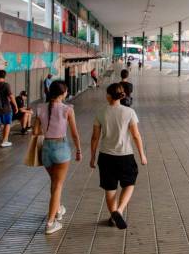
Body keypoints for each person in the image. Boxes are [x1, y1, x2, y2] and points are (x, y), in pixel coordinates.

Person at [90, 83, 147, 230]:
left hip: (105, 156)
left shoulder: (101, 112)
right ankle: (119, 211)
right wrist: (142, 155)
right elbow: (136, 135)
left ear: (108, 95)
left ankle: (114, 214)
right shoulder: (129, 112)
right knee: (129, 183)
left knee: (110, 188)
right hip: (125, 156)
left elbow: (94, 138)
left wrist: (92, 157)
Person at [34, 80, 82, 234]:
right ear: (63, 93)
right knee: (58, 185)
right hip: (61, 148)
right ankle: (50, 223)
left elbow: (35, 131)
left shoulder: (40, 108)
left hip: (46, 149)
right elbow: (74, 134)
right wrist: (79, 150)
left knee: (54, 183)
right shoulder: (67, 109)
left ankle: (59, 209)